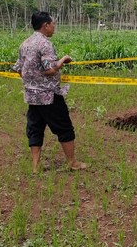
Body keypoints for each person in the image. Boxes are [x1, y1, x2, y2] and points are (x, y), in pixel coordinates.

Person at [13, 11, 86, 173]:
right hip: (49, 95)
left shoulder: (24, 44)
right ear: (45, 25)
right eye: (53, 24)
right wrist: (63, 60)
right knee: (64, 127)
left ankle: (36, 166)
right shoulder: (45, 44)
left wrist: (32, 81)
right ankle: (72, 162)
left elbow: (19, 69)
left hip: (31, 96)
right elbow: (51, 69)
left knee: (35, 128)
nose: (54, 27)